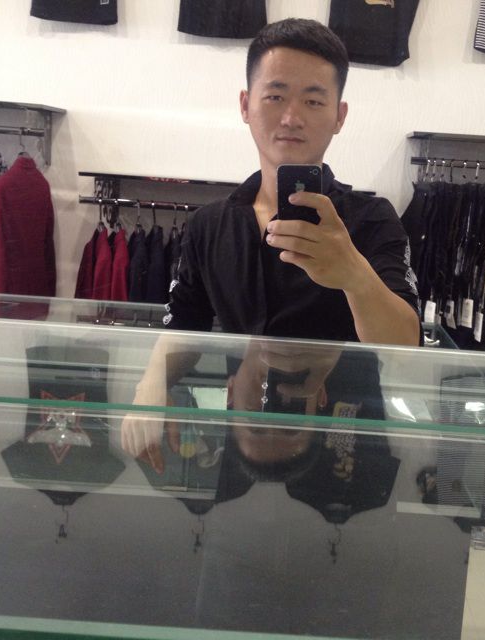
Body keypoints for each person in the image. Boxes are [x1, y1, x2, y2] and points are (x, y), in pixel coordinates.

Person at [121, 18, 420, 469]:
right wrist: (150, 387)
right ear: (246, 105)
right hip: (255, 435)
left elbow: (405, 345)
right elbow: (185, 323)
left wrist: (355, 276)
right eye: (275, 96)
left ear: (340, 116)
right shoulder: (209, 226)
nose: (292, 118)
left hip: (348, 448)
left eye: (313, 100)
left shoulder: (371, 220)